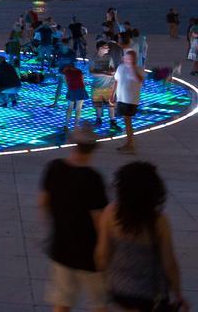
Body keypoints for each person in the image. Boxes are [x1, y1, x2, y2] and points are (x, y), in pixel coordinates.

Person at [96, 162, 188, 312]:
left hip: (119, 290)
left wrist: (104, 282)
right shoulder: (158, 221)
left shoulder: (110, 213)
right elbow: (169, 263)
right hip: (150, 296)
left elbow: (102, 255)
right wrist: (178, 293)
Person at [38, 124, 107, 312]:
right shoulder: (93, 179)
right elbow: (99, 219)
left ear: (72, 144)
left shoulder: (54, 167)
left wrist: (54, 226)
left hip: (61, 247)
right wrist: (104, 247)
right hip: (88, 252)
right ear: (93, 149)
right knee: (98, 302)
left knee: (62, 302)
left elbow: (43, 202)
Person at [112, 50, 144, 154]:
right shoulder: (120, 68)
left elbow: (139, 80)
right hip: (121, 99)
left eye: (131, 58)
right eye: (127, 58)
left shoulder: (139, 69)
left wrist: (132, 67)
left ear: (135, 59)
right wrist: (112, 95)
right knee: (127, 122)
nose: (128, 60)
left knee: (128, 122)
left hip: (131, 100)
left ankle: (130, 144)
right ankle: (129, 143)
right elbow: (116, 81)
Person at [60, 63, 88, 133]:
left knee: (70, 108)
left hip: (71, 90)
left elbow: (66, 83)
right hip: (80, 90)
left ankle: (66, 125)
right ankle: (76, 126)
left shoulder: (65, 73)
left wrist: (69, 88)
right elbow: (83, 81)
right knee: (78, 109)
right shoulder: (79, 71)